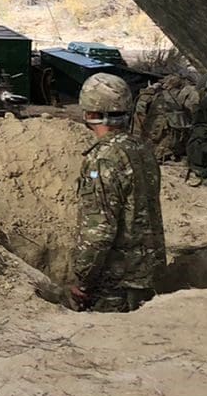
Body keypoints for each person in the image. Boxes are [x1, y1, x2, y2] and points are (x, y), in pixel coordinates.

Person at [70, 73, 167, 312]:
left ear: (90, 113)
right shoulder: (141, 149)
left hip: (116, 285)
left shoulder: (103, 159)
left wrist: (83, 279)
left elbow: (100, 230)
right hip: (148, 275)